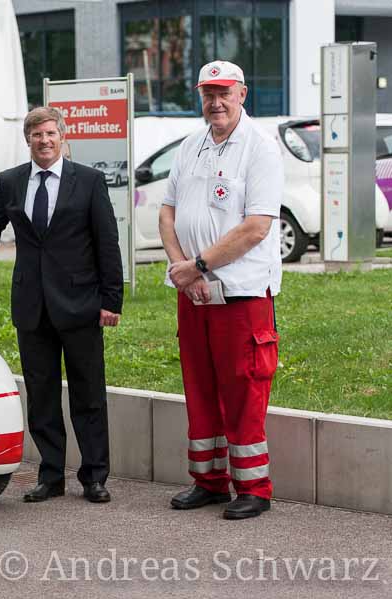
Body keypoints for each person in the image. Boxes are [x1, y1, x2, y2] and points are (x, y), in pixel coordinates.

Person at [0, 107, 123, 503]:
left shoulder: (89, 182)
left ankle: (94, 477)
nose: (44, 140)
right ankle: (51, 475)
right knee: (41, 394)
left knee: (87, 394)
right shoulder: (10, 182)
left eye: (50, 134)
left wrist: (112, 300)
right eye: (36, 135)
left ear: (62, 137)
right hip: (32, 306)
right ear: (28, 140)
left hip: (80, 305)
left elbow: (107, 241)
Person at [159, 61, 282, 520]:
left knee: (243, 388)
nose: (215, 102)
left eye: (223, 93)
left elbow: (256, 227)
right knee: (200, 386)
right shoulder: (191, 146)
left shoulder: (260, 149)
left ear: (242, 94)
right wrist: (180, 268)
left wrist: (200, 265)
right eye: (207, 93)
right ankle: (208, 481)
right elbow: (167, 213)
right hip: (193, 291)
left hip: (241, 295)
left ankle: (253, 487)